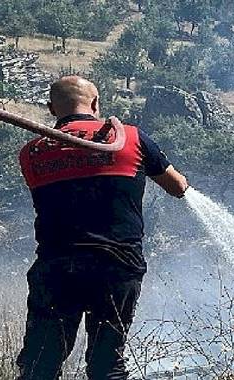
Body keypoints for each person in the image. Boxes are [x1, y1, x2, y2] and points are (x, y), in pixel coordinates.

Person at [15, 76, 188, 380]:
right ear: (95, 104)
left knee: (40, 364)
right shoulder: (132, 138)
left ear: (51, 108)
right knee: (106, 365)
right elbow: (178, 187)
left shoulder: (32, 152)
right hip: (117, 267)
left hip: (57, 268)